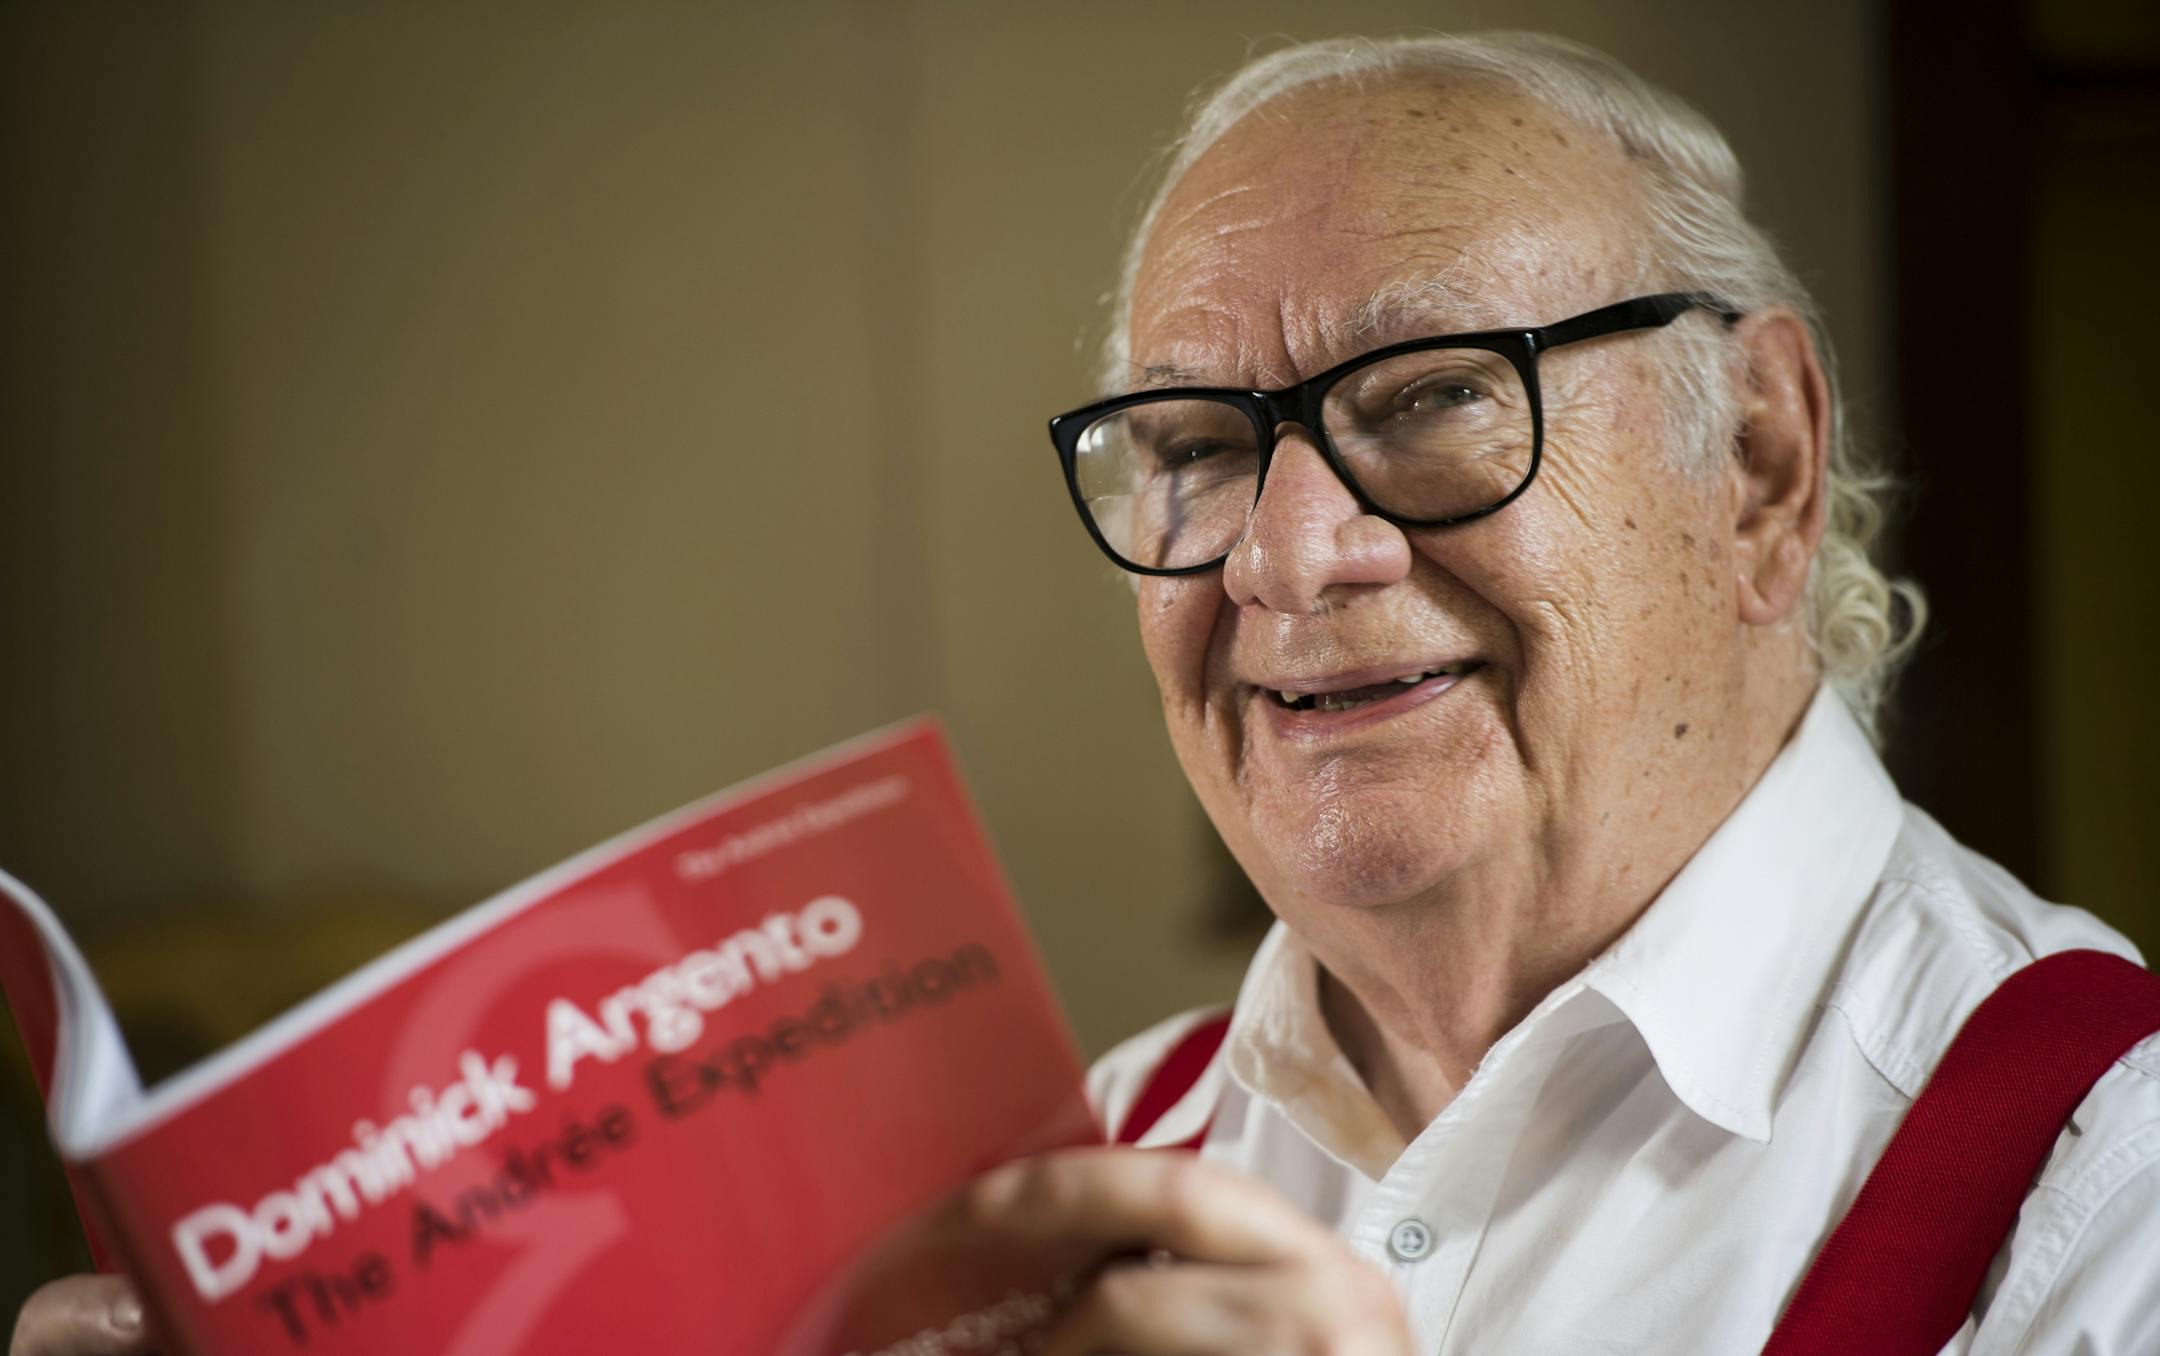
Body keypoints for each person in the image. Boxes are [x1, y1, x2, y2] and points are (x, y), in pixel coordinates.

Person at [16, 30, 2158, 1356]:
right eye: (1201, 449)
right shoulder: (1037, 1176)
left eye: (1428, 400)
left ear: (1762, 462)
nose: (1288, 557)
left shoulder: (2106, 1182)